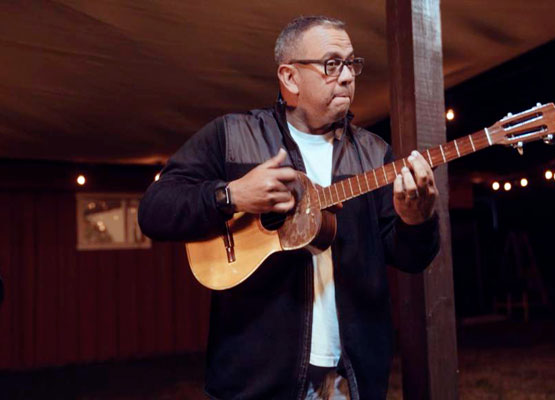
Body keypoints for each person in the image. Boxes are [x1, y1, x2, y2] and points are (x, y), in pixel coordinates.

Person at [139, 15, 440, 400]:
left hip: (349, 381)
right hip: (254, 384)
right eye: (332, 64)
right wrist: (230, 196)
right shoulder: (232, 137)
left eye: (352, 63)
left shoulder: (375, 154)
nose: (347, 76)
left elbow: (411, 258)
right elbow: (154, 209)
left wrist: (417, 220)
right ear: (290, 77)